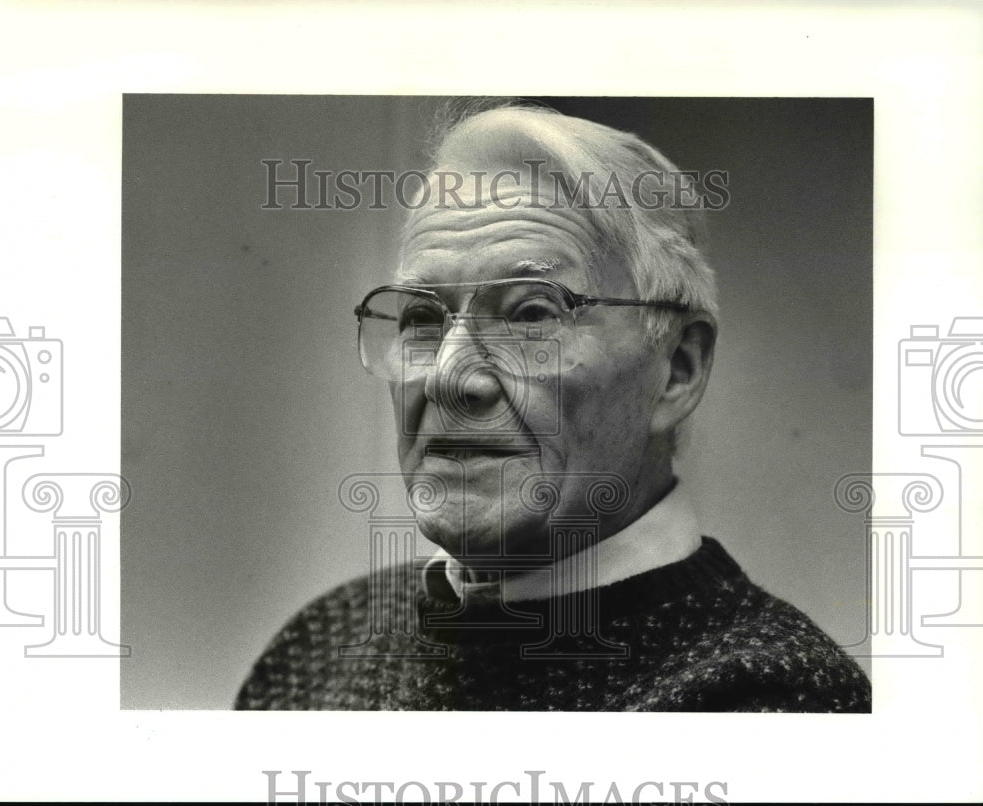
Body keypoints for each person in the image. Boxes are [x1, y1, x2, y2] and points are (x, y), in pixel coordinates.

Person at [236, 104, 871, 712]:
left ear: (677, 370)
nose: (452, 380)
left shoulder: (769, 700)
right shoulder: (317, 651)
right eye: (423, 319)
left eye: (531, 315)